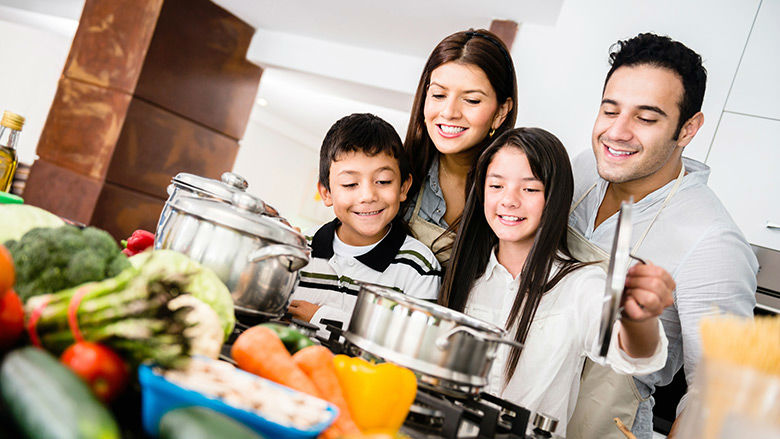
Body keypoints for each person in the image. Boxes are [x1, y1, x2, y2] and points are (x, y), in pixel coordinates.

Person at [566, 33, 758, 439]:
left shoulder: (714, 241)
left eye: (646, 118)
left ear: (688, 129)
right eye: (610, 110)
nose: (617, 132)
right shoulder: (581, 170)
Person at [439, 127, 673, 436]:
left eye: (530, 189)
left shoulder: (580, 284)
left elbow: (634, 357)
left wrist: (639, 318)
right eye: (496, 185)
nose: (509, 200)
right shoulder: (463, 276)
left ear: (555, 198)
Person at [288, 113, 441, 336]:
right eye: (350, 184)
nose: (368, 195)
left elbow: (411, 346)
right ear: (326, 193)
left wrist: (320, 317)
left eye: (383, 181)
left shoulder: (419, 267)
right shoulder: (299, 250)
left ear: (403, 187)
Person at [403, 29, 516, 264]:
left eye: (472, 100)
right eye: (438, 95)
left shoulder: (512, 196)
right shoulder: (398, 172)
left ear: (501, 112)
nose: (449, 113)